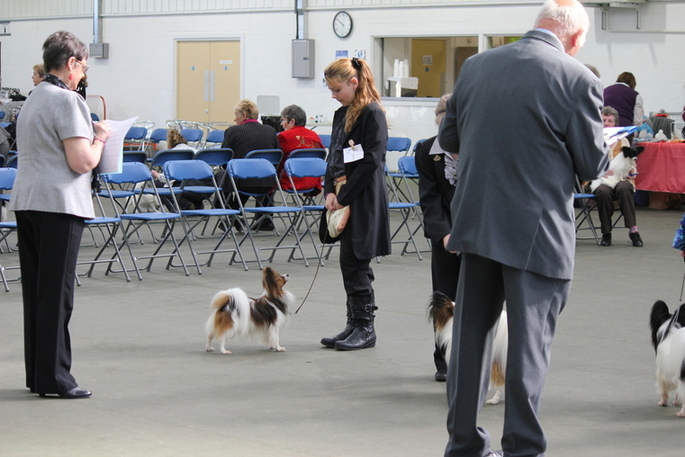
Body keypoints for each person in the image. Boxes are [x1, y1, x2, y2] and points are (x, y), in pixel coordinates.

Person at [437, 1, 609, 456]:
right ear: (573, 38)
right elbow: (592, 164)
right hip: (536, 232)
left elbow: (450, 138)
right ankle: (522, 448)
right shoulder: (577, 79)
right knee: (529, 348)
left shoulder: (476, 66)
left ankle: (464, 445)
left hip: (476, 222)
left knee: (470, 339)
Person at [9, 30, 112, 399]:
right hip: (59, 203)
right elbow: (81, 161)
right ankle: (56, 378)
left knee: (37, 293)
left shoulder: (34, 97)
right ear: (71, 64)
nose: (83, 75)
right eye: (83, 67)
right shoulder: (68, 101)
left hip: (28, 200)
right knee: (58, 295)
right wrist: (101, 137)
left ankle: (38, 374)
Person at [319, 57, 391, 351]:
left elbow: (371, 161)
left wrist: (344, 196)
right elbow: (334, 156)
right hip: (341, 194)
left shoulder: (372, 114)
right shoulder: (340, 114)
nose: (334, 95)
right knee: (348, 260)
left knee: (357, 260)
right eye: (331, 91)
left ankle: (366, 327)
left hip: (362, 197)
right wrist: (328, 191)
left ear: (354, 82)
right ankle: (353, 323)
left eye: (337, 90)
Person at [415, 93, 460, 382]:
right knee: (444, 298)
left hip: (479, 232)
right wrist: (444, 234)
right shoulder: (425, 151)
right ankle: (443, 358)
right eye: (441, 125)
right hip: (444, 233)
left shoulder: (482, 147)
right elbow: (429, 199)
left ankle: (478, 356)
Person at [217, 99, 280, 230]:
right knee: (251, 174)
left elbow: (223, 159)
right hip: (267, 182)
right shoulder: (270, 131)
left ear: (244, 116)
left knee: (220, 175)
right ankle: (265, 219)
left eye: (236, 115)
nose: (235, 119)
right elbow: (278, 156)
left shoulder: (233, 131)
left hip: (242, 182)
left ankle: (232, 214)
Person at [594, 106, 643, 247]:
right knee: (603, 191)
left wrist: (630, 172)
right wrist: (598, 171)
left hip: (622, 178)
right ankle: (606, 233)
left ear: (615, 124)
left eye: (610, 121)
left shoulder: (624, 141)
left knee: (623, 188)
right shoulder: (593, 140)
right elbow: (585, 162)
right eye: (603, 120)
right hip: (600, 179)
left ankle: (633, 230)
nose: (606, 124)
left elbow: (632, 163)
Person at [277, 104, 324, 195]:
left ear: (292, 121)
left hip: (291, 181)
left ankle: (265, 206)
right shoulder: (315, 135)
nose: (281, 124)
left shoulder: (283, 136)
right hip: (312, 182)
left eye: (283, 120)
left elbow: (277, 159)